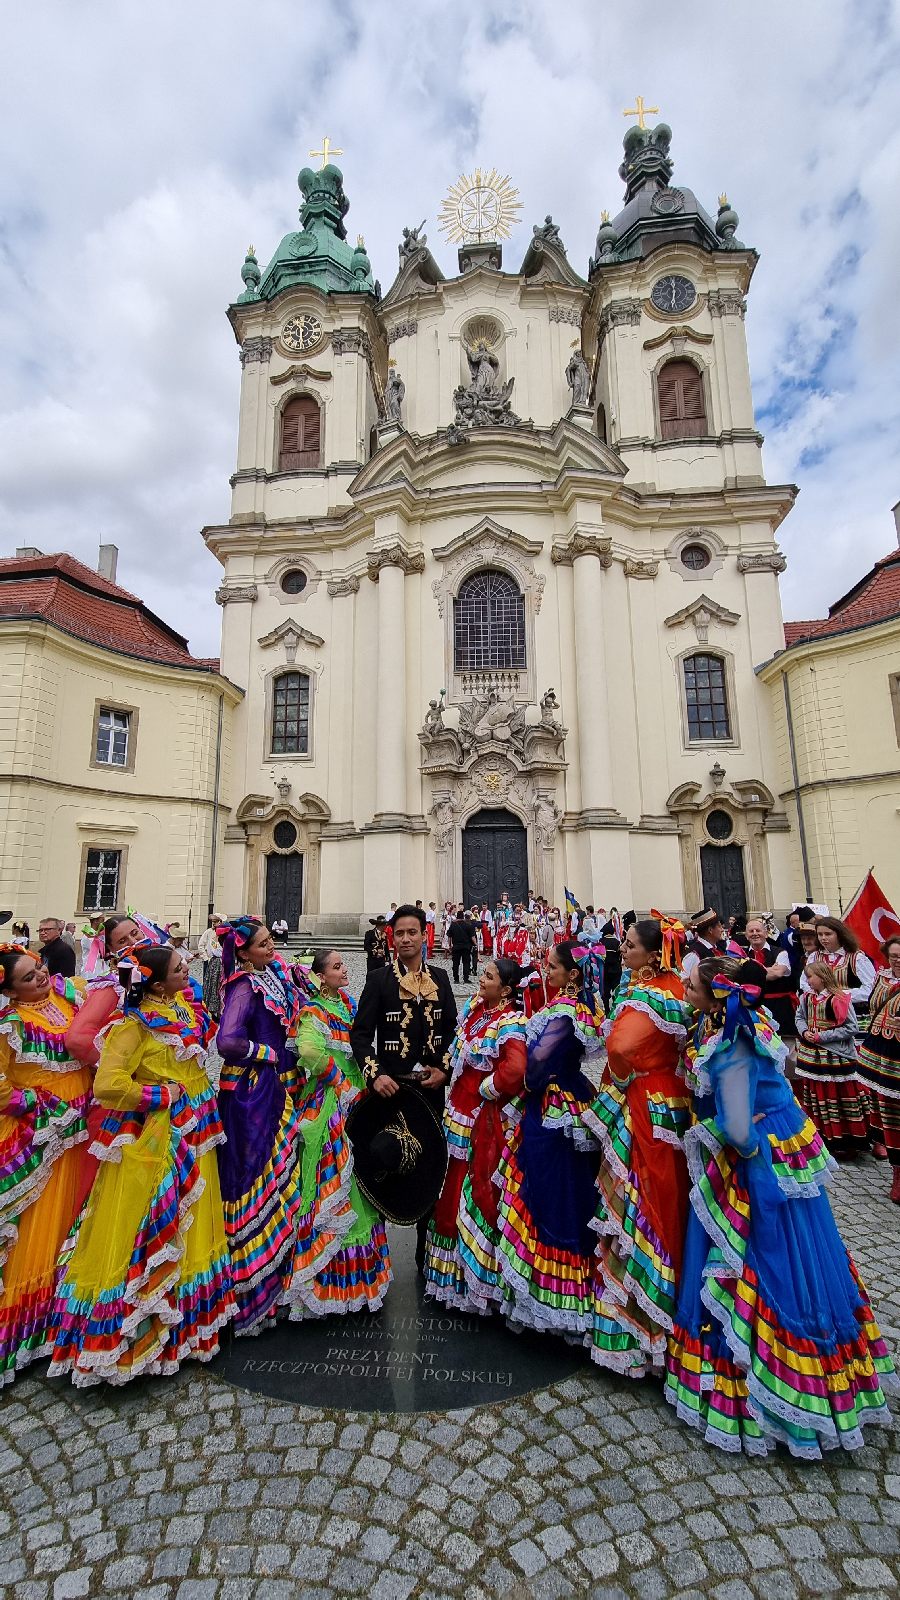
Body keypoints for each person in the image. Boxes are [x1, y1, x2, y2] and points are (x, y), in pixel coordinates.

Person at [665, 958, 897, 1457]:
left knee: (756, 1261)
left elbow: (739, 1128)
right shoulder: (748, 1022)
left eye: (689, 984)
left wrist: (730, 1153)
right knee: (807, 1254)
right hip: (784, 1143)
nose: (682, 988)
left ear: (714, 993)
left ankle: (762, 1385)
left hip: (759, 1162)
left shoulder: (731, 1047)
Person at [48, 942, 235, 1383]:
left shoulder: (180, 1009)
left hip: (195, 1131)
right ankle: (140, 1328)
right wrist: (161, 1095)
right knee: (158, 1221)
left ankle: (185, 1319)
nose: (185, 968)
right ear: (154, 979)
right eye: (177, 967)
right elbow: (108, 1086)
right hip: (158, 1139)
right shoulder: (132, 1026)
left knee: (191, 1219)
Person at [581, 914, 690, 1375]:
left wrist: (620, 1082)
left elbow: (622, 1048)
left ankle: (639, 1311)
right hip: (674, 1099)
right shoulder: (677, 990)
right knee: (668, 1194)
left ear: (651, 953)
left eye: (628, 945)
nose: (621, 950)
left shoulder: (648, 995)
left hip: (645, 1102)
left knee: (642, 1197)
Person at [494, 942, 604, 1335]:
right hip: (571, 1094)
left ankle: (550, 1294)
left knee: (547, 1189)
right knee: (568, 1187)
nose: (547, 969)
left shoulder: (563, 1014)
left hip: (552, 1105)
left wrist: (524, 1077)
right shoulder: (579, 1010)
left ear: (572, 975)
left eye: (553, 966)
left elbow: (538, 1066)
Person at [0, 945, 92, 1386]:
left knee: (76, 1211)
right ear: (10, 991)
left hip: (83, 1121)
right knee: (43, 1222)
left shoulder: (68, 993)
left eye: (39, 970)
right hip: (44, 1132)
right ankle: (30, 1326)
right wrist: (35, 1103)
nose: (40, 978)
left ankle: (69, 1311)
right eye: (28, 978)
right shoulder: (11, 1027)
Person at [215, 917, 313, 1331]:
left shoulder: (270, 974)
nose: (273, 947)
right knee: (256, 1170)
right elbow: (228, 1041)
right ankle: (254, 1284)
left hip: (272, 1086)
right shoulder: (242, 986)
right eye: (264, 943)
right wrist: (268, 1054)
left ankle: (282, 1269)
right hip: (251, 1092)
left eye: (272, 940)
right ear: (243, 952)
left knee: (282, 1167)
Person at [350, 904, 458, 1272]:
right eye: (400, 934)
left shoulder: (441, 979)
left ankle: (426, 1251)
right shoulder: (379, 980)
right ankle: (377, 1256)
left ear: (425, 934)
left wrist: (444, 1069)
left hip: (430, 1088)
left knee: (430, 1163)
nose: (406, 939)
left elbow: (453, 1032)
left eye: (413, 932)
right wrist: (374, 1074)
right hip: (391, 1090)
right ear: (390, 938)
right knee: (386, 1159)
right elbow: (361, 1036)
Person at [286, 949, 391, 1315]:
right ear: (320, 976)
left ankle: (358, 1278)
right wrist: (340, 1083)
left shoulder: (345, 1002)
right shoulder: (313, 1011)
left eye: (343, 965)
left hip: (355, 1096)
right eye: (336, 967)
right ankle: (325, 1274)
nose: (344, 970)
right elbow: (309, 1051)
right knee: (335, 1178)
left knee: (358, 1175)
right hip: (331, 1102)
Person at [424, 957, 527, 1311]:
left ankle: (478, 1275)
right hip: (459, 1109)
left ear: (507, 989)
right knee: (452, 1182)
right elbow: (457, 1051)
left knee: (473, 1183)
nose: (481, 980)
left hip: (479, 1117)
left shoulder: (510, 1022)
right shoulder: (477, 1010)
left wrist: (486, 1089)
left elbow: (514, 1070)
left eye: (488, 976)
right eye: (482, 974)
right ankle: (452, 1273)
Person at [795, 961, 864, 1159]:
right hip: (813, 1057)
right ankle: (820, 1135)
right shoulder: (807, 998)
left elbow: (851, 1027)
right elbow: (799, 1017)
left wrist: (822, 1037)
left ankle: (844, 1140)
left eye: (811, 976)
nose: (808, 981)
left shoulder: (839, 998)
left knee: (837, 1096)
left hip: (835, 1057)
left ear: (823, 977)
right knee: (816, 1096)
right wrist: (805, 1031)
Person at [857, 935, 900, 1203]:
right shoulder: (882, 977)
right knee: (889, 1114)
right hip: (880, 1057)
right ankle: (897, 1173)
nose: (897, 960)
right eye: (894, 956)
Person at [804, 917, 876, 1022]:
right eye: (820, 934)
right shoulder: (814, 957)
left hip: (852, 1013)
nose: (823, 938)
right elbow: (805, 983)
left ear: (839, 934)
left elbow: (871, 988)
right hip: (822, 1012)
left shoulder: (857, 958)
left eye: (828, 934)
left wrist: (840, 995)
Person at [744, 915, 796, 1037]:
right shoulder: (742, 955)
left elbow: (777, 973)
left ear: (766, 933)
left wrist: (749, 974)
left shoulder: (780, 952)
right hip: (753, 1009)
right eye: (751, 931)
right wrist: (768, 970)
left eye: (758, 930)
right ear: (746, 936)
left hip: (779, 1007)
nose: (755, 933)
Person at [682, 908, 727, 978]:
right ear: (710, 930)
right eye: (719, 926)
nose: (722, 929)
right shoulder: (694, 954)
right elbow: (684, 979)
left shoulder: (718, 948)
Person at [197, 915, 223, 1019]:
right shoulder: (208, 932)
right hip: (211, 961)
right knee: (210, 984)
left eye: (216, 921)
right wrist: (205, 958)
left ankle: (219, 1010)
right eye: (213, 921)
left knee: (218, 985)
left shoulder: (225, 934)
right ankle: (210, 1009)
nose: (214, 923)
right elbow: (201, 945)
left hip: (221, 962)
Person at [449, 909, 478, 985]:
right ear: (464, 916)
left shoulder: (453, 925)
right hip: (466, 947)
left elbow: (449, 936)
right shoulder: (468, 925)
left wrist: (450, 945)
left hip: (456, 947)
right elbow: (472, 937)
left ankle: (456, 979)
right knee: (466, 963)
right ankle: (466, 978)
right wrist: (475, 944)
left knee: (455, 963)